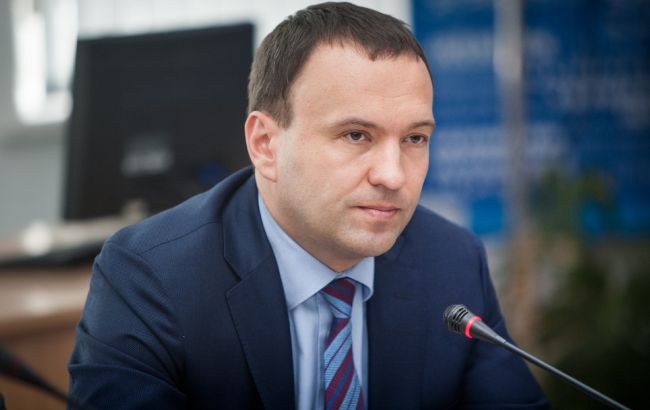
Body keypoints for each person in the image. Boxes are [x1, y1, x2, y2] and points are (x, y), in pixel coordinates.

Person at [68, 2, 548, 409]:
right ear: (265, 144)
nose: (393, 175)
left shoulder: (453, 262)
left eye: (415, 138)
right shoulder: (152, 276)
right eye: (356, 135)